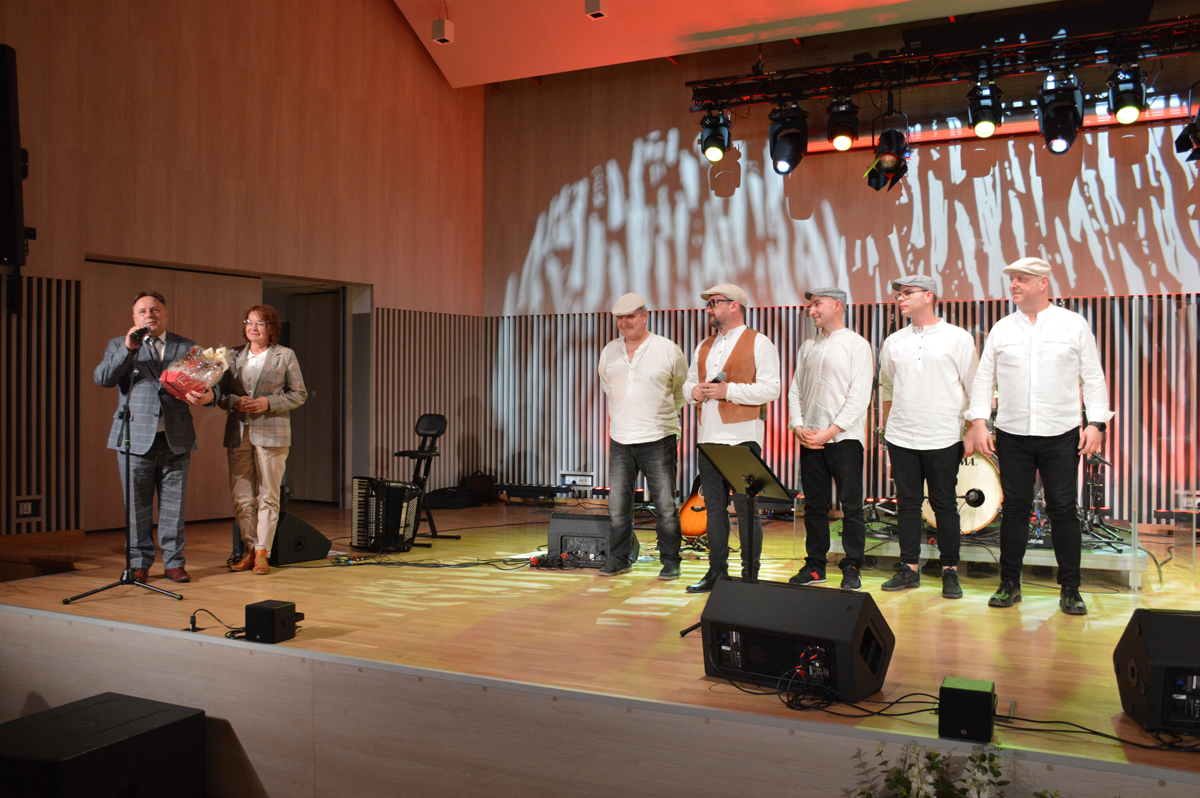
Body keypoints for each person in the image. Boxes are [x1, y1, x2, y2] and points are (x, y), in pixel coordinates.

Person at [964, 257, 1112, 615]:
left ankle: (1070, 588)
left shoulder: (1073, 324)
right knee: (1015, 508)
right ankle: (1009, 584)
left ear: (1043, 283)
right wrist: (979, 422)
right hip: (1012, 433)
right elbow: (983, 380)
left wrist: (1097, 423)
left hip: (1061, 432)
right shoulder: (1002, 329)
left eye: (1022, 279)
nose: (1014, 285)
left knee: (1063, 509)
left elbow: (1093, 377)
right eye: (1012, 280)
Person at [93, 291, 216, 584]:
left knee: (174, 507)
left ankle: (174, 563)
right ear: (134, 318)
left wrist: (210, 396)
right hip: (134, 438)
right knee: (137, 508)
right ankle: (138, 563)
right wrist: (128, 348)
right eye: (143, 311)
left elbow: (210, 382)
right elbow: (103, 378)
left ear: (166, 315)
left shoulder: (186, 346)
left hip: (176, 438)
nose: (149, 315)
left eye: (155, 310)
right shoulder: (120, 345)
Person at [878, 276, 978, 599]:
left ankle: (950, 571)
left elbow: (973, 386)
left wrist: (972, 429)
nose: (900, 299)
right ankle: (909, 568)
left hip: (944, 435)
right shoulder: (893, 341)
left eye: (908, 293)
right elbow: (888, 387)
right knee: (907, 504)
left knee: (944, 504)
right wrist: (887, 426)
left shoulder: (958, 338)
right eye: (899, 294)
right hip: (901, 435)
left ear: (929, 296)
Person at [682, 284, 781, 593]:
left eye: (714, 303)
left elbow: (772, 389)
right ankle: (717, 572)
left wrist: (728, 391)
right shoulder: (704, 345)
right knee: (713, 509)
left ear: (734, 305)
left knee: (746, 509)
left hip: (742, 438)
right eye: (709, 304)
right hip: (708, 438)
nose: (709, 309)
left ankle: (750, 575)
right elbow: (687, 384)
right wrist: (694, 391)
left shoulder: (759, 342)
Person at [596, 293, 688, 579]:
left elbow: (681, 390)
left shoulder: (667, 349)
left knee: (665, 505)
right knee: (618, 506)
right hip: (620, 438)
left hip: (658, 436)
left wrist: (660, 416)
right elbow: (609, 387)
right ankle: (619, 558)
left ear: (645, 316)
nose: (625, 323)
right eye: (620, 318)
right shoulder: (609, 351)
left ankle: (671, 561)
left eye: (631, 317)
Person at [787, 287, 873, 591]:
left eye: (817, 304)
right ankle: (815, 566)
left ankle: (852, 567)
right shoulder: (808, 346)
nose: (811, 310)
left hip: (845, 439)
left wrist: (830, 431)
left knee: (851, 507)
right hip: (810, 438)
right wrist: (798, 426)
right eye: (810, 305)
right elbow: (795, 390)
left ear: (837, 305)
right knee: (813, 506)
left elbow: (858, 398)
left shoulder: (857, 344)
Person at [219, 305, 308, 576]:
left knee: (268, 495)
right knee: (242, 497)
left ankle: (262, 553)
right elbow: (219, 394)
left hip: (272, 431)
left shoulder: (285, 355)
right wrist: (235, 402)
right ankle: (248, 548)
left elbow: (299, 394)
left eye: (260, 323)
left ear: (271, 328)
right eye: (249, 322)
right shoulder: (232, 355)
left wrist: (268, 402)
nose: (253, 327)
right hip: (238, 432)